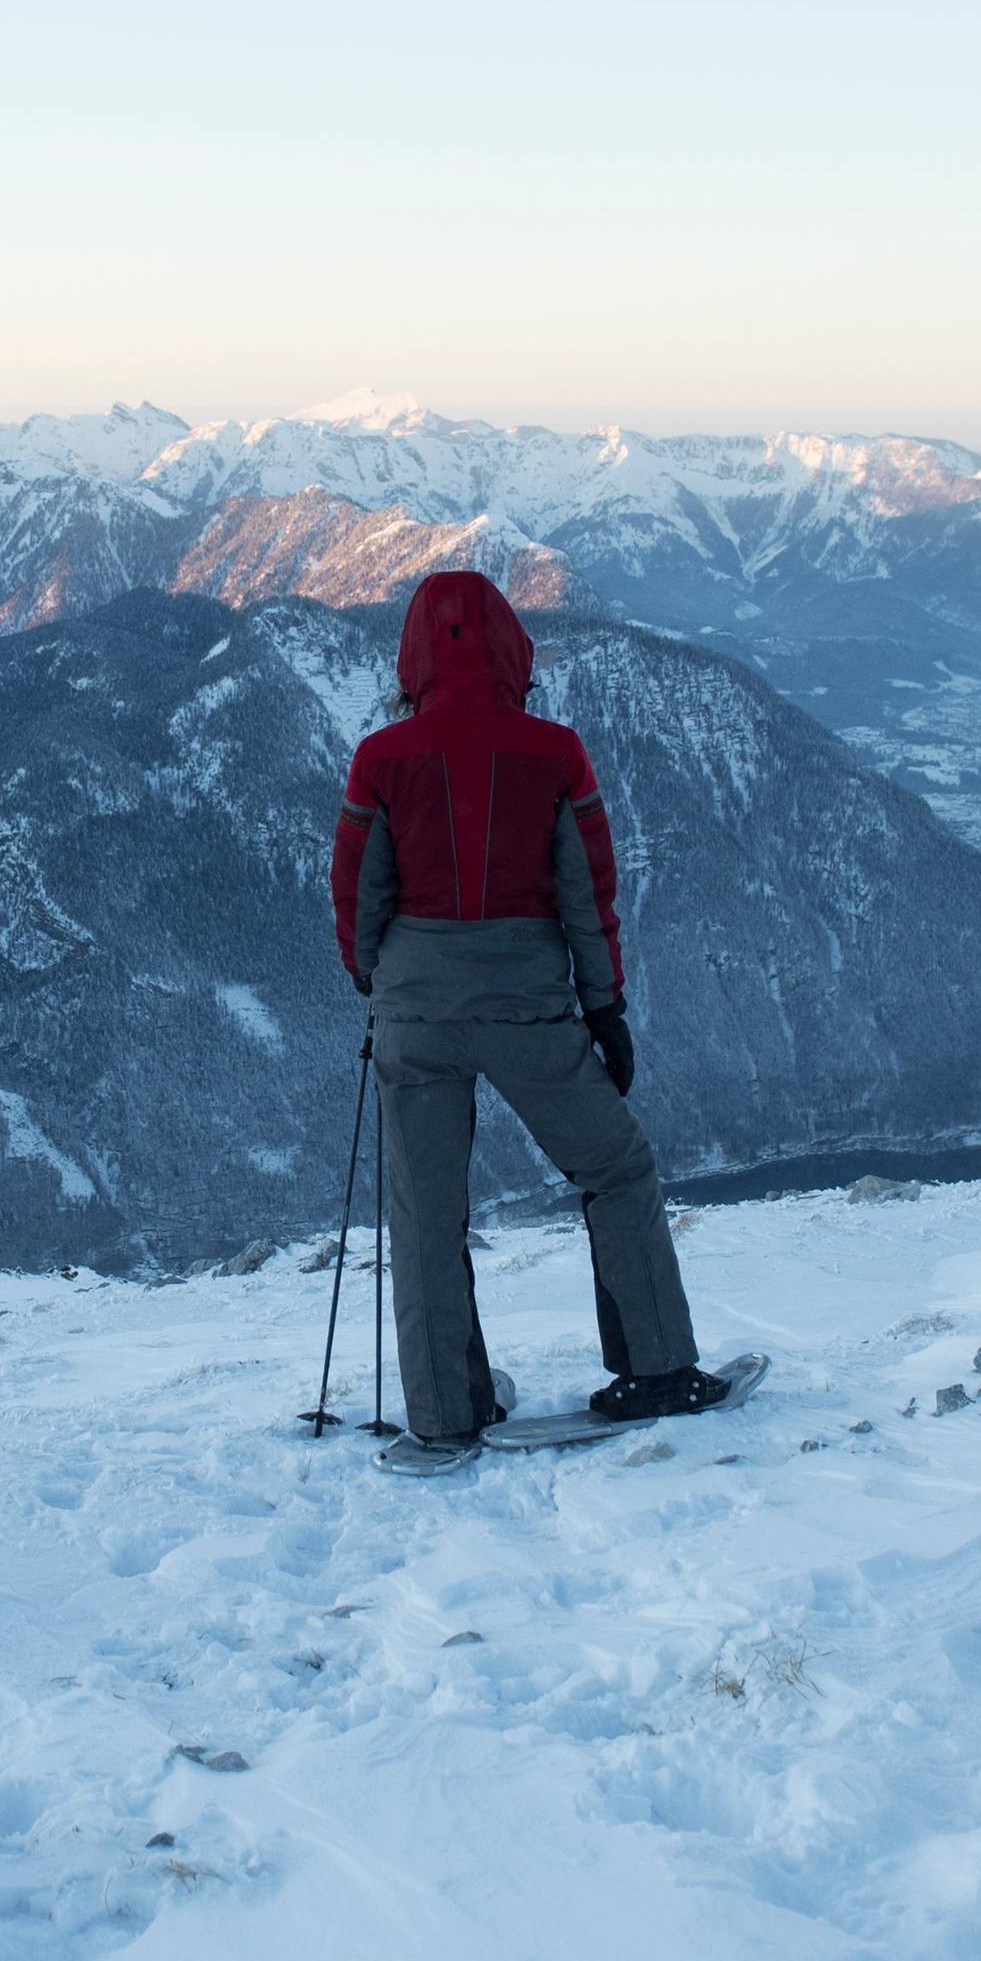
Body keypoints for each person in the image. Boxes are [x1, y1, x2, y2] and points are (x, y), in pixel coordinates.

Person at [329, 568, 725, 1452]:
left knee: (426, 1215)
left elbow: (357, 896)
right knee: (616, 1170)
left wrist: (376, 981)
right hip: (529, 1008)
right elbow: (590, 897)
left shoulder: (379, 761)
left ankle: (443, 1414)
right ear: (513, 652)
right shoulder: (555, 754)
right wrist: (606, 1009)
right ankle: (657, 1369)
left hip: (415, 1014)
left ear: (413, 662)